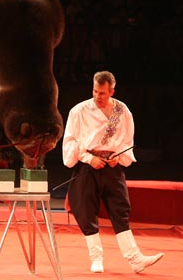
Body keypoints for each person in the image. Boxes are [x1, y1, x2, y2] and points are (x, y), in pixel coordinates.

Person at [62, 71, 163, 273]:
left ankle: (135, 259)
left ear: (112, 91)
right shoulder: (79, 111)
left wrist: (118, 156)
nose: (98, 96)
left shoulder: (122, 111)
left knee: (120, 209)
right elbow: (71, 140)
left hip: (112, 166)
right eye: (95, 91)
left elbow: (127, 141)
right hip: (88, 165)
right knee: (85, 210)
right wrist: (90, 158)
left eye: (102, 93)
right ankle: (96, 258)